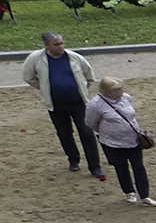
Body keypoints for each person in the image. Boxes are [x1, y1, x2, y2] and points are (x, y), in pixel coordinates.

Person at [20, 32, 105, 182]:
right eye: (56, 44)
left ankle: (95, 166)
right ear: (47, 45)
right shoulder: (36, 59)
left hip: (78, 103)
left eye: (61, 43)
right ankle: (73, 159)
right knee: (64, 133)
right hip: (56, 104)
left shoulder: (74, 57)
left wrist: (81, 89)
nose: (61, 47)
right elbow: (28, 77)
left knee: (87, 134)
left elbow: (88, 75)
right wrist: (45, 88)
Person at [85, 77, 156, 206]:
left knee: (139, 167)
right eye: (118, 89)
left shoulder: (126, 97)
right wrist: (108, 132)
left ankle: (145, 196)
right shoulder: (96, 104)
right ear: (108, 91)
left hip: (133, 140)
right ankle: (129, 192)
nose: (122, 90)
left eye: (121, 87)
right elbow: (90, 122)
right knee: (121, 168)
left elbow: (130, 114)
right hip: (112, 144)